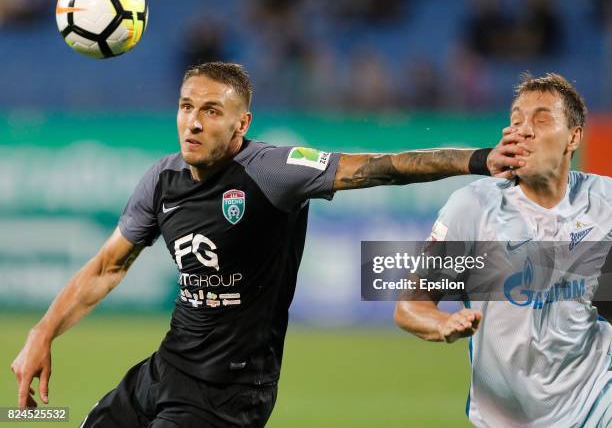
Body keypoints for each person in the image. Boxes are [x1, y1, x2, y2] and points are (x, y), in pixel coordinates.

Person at [11, 62, 518, 428]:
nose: (193, 121)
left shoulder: (273, 170)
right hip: (164, 370)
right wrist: (42, 332)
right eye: (187, 107)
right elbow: (106, 267)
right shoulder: (162, 180)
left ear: (241, 123)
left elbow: (379, 167)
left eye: (211, 111)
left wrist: (478, 159)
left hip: (228, 396)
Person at [394, 73, 612, 427]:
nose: (524, 129)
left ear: (574, 136)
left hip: (597, 405)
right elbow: (410, 305)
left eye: (541, 120)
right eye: (515, 120)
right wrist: (444, 323)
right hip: (508, 418)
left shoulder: (605, 201)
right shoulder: (473, 207)